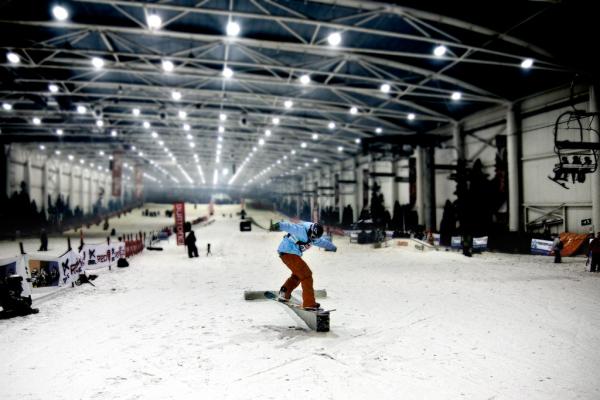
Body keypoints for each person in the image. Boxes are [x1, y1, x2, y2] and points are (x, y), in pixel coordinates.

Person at [270, 220, 336, 310]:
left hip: (289, 254)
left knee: (298, 275)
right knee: (307, 275)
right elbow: (289, 226)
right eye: (311, 236)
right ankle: (309, 303)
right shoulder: (301, 230)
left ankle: (284, 293)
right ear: (310, 230)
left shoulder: (314, 238)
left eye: (314, 237)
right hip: (288, 252)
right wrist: (278, 225)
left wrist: (332, 247)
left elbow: (322, 242)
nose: (311, 238)